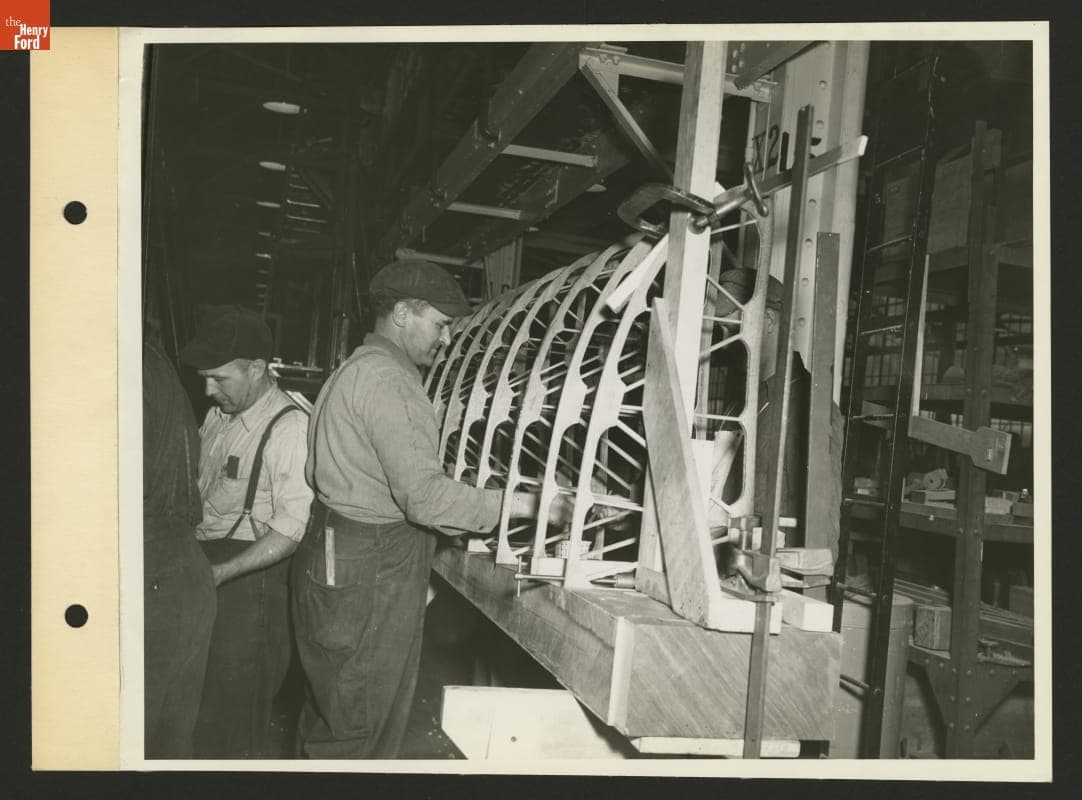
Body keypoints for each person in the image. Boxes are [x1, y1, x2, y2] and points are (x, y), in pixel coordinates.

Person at [293, 259, 573, 759]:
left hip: (334, 554)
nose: (446, 340)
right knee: (361, 732)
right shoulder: (390, 382)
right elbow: (426, 500)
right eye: (440, 324)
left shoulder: (352, 369)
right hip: (369, 570)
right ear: (402, 313)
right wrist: (532, 504)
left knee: (331, 716)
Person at [179, 306, 313, 758]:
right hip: (208, 565)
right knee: (200, 709)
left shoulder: (289, 429)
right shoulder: (219, 415)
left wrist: (221, 573)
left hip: (252, 586)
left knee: (235, 718)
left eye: (219, 378)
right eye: (204, 378)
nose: (208, 390)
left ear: (257, 368)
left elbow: (291, 530)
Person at [715, 268, 843, 563]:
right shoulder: (738, 406)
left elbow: (822, 534)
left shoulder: (810, 407)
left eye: (731, 329)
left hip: (771, 577)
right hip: (724, 564)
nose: (725, 342)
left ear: (769, 321)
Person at [142, 336, 216, 758]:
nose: (208, 390)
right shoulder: (154, 361)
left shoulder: (127, 367)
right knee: (169, 741)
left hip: (153, 566)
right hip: (183, 562)